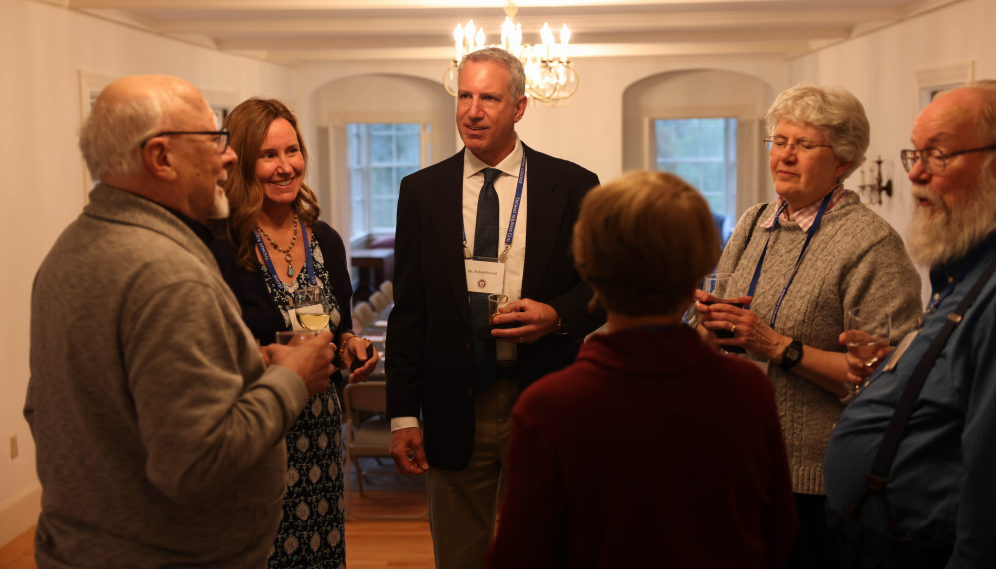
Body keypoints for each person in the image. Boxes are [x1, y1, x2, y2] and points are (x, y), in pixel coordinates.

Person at [23, 75, 336, 568]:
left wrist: (249, 363)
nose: (228, 157)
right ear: (161, 158)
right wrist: (291, 378)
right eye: (213, 139)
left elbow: (53, 408)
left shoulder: (68, 249)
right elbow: (195, 463)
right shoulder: (167, 274)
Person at [484, 170, 798, 568]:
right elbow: (779, 532)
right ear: (698, 273)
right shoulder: (748, 389)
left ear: (591, 272)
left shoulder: (549, 407)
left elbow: (520, 554)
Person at [386, 47, 603, 567]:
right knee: (460, 556)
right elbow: (409, 311)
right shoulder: (421, 191)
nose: (472, 110)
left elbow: (601, 289)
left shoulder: (573, 186)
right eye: (464, 95)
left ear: (520, 107)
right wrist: (400, 416)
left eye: (488, 97)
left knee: (553, 547)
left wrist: (557, 315)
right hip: (455, 404)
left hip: (546, 397)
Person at [696, 83, 922, 568]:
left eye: (803, 145)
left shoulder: (871, 244)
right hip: (735, 457)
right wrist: (707, 323)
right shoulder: (755, 220)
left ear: (842, 162)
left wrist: (777, 346)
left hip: (812, 478)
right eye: (779, 141)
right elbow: (717, 323)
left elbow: (893, 381)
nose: (785, 156)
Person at [825, 82, 996, 568]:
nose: (916, 174)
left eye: (938, 155)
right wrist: (895, 367)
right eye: (914, 154)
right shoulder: (960, 269)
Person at [211, 97, 378, 568]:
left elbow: (339, 325)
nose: (286, 167)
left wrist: (352, 347)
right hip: (259, 432)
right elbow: (215, 350)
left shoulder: (324, 238)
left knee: (322, 553)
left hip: (323, 435)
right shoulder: (223, 244)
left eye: (292, 151)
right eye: (269, 156)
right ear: (243, 164)